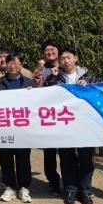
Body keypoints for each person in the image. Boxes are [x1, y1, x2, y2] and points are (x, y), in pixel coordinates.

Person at [46, 47, 97, 204]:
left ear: (76, 58)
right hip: (64, 123)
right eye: (62, 58)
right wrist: (52, 79)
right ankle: (70, 189)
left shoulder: (89, 76)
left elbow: (98, 95)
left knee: (86, 158)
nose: (66, 61)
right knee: (66, 158)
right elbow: (47, 95)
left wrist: (88, 86)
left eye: (69, 57)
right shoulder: (56, 77)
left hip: (85, 124)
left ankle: (85, 191)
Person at [0, 52, 35, 202]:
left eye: (16, 62)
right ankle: (10, 187)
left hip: (22, 129)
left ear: (21, 64)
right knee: (6, 158)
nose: (13, 65)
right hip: (3, 128)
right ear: (5, 65)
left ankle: (24, 187)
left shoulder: (29, 83)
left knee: (23, 159)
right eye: (10, 62)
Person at [33, 39, 63, 196]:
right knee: (49, 154)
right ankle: (54, 182)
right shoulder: (42, 70)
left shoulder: (67, 66)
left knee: (67, 153)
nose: (50, 52)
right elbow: (36, 89)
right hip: (48, 117)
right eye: (47, 50)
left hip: (65, 116)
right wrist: (39, 69)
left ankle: (70, 184)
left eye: (53, 49)